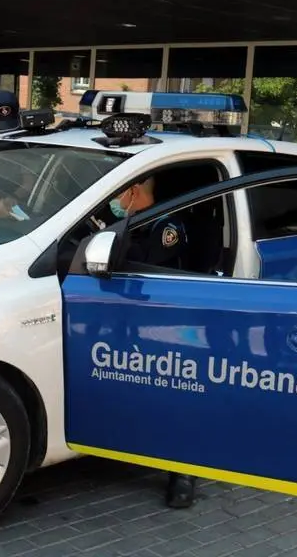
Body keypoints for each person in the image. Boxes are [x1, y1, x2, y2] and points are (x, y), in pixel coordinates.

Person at [110, 176, 196, 508]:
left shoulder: (167, 224)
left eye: (118, 193)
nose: (116, 200)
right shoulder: (131, 220)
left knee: (172, 395)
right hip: (132, 318)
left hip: (167, 322)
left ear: (132, 192)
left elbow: (144, 262)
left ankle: (183, 472)